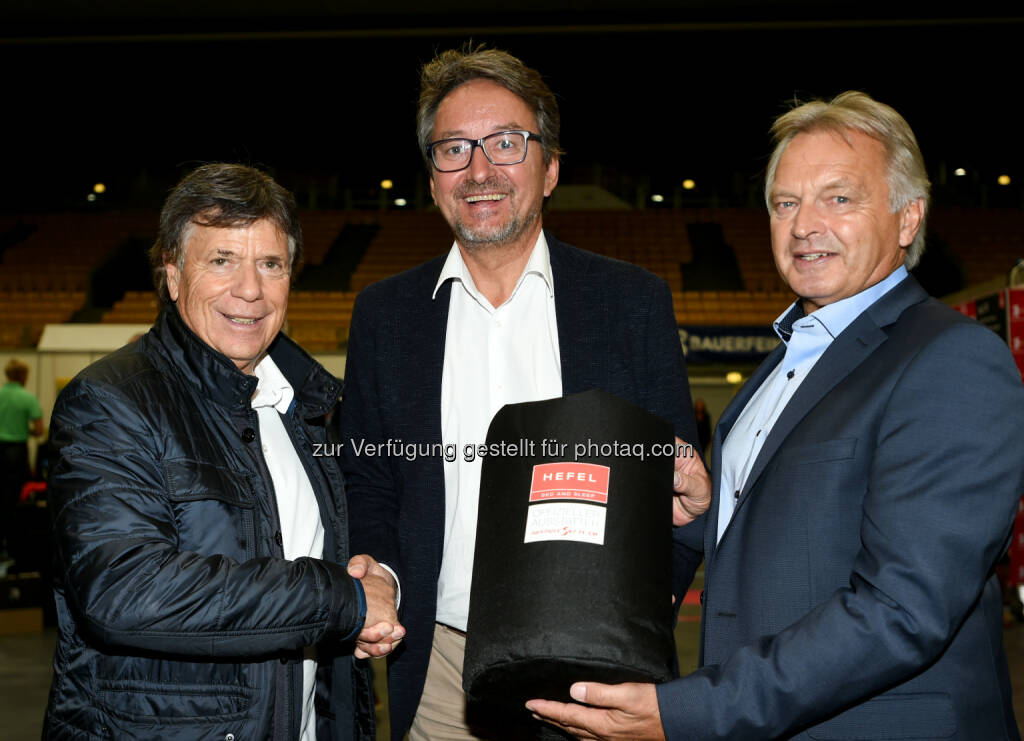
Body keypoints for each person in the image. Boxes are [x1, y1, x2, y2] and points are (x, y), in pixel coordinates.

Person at [527, 91, 1024, 739]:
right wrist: (711, 507)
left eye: (838, 198)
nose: (803, 224)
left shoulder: (951, 358)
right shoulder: (786, 363)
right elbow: (803, 527)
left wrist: (689, 711)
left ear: (908, 218)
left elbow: (902, 609)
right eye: (785, 203)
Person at [341, 44, 707, 740]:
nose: (479, 169)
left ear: (551, 168)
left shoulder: (632, 304)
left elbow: (674, 488)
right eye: (454, 148)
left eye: (506, 143)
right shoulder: (385, 316)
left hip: (600, 668)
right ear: (432, 178)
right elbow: (371, 477)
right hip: (443, 667)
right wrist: (380, 569)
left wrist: (647, 598)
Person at [42, 163, 402, 740]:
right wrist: (343, 599)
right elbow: (124, 591)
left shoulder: (308, 406)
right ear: (173, 275)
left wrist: (367, 579)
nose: (251, 290)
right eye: (221, 260)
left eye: (270, 264)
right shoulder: (108, 400)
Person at [0, 357, 43, 557]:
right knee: (17, 497)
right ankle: (15, 544)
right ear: (22, 375)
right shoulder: (28, 398)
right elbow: (39, 430)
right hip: (16, 453)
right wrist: (25, 430)